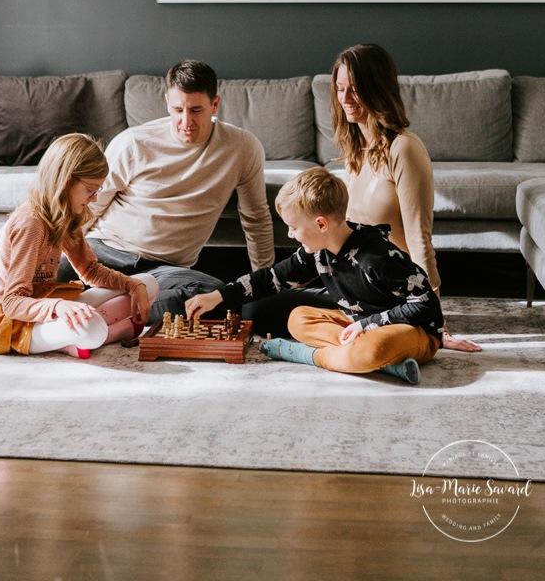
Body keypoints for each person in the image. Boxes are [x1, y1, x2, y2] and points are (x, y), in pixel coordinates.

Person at [54, 58, 276, 321]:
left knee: (213, 296)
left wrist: (267, 286)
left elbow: (256, 219)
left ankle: (105, 306)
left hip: (163, 270)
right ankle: (110, 305)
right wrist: (67, 254)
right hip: (103, 251)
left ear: (215, 104)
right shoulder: (133, 143)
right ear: (167, 103)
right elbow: (89, 206)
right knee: (31, 278)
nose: (186, 121)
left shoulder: (242, 147)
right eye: (178, 109)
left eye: (196, 110)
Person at [186, 167, 443, 383]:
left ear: (320, 224)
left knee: (374, 348)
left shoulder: (377, 257)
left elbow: (426, 302)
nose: (290, 234)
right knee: (298, 318)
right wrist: (217, 297)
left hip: (412, 331)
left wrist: (366, 325)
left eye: (294, 227)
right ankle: (381, 364)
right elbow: (271, 278)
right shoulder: (319, 252)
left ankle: (304, 354)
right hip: (361, 326)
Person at [330, 43, 480, 353]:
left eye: (355, 89)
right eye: (340, 89)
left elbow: (418, 236)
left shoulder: (404, 149)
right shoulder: (355, 149)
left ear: (377, 89)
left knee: (373, 349)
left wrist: (437, 323)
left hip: (397, 295)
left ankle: (402, 341)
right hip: (359, 291)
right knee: (282, 315)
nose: (344, 99)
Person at [0, 133, 158, 358]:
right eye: (90, 190)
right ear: (66, 180)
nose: (94, 198)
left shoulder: (66, 214)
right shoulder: (31, 224)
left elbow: (90, 271)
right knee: (92, 328)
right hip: (16, 324)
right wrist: (59, 307)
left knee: (147, 283)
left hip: (50, 305)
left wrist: (132, 286)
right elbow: (12, 303)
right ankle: (113, 329)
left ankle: (80, 336)